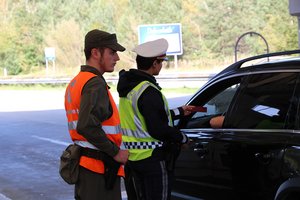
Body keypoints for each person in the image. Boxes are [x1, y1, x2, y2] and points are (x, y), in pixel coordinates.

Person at [117, 38, 195, 200]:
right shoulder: (148, 90)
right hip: (153, 159)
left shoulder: (130, 88)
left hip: (134, 158)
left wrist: (180, 111)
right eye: (161, 62)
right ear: (154, 63)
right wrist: (182, 137)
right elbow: (157, 128)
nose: (162, 65)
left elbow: (143, 116)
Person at [64, 29, 129, 200]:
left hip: (86, 166)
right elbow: (87, 125)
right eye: (112, 52)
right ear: (95, 52)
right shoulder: (94, 84)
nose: (117, 58)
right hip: (98, 168)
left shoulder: (77, 81)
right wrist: (116, 152)